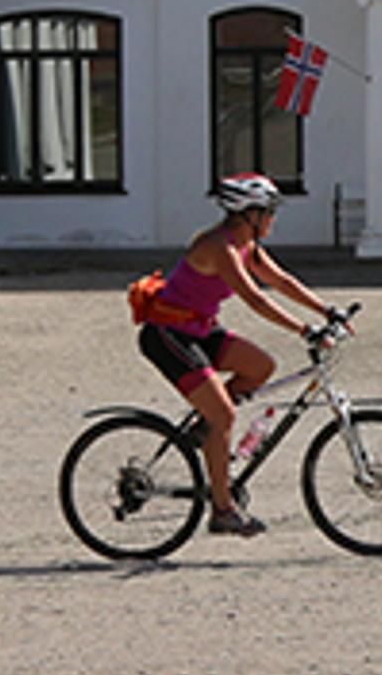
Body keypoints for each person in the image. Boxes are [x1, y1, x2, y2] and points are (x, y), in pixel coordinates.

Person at [135, 172, 342, 536]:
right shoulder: (220, 247)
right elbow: (256, 298)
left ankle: (205, 430)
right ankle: (222, 509)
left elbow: (281, 281)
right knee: (224, 415)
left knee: (260, 366)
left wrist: (327, 311)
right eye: (268, 212)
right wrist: (304, 330)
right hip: (168, 335)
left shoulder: (247, 244)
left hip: (198, 329)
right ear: (248, 214)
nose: (273, 220)